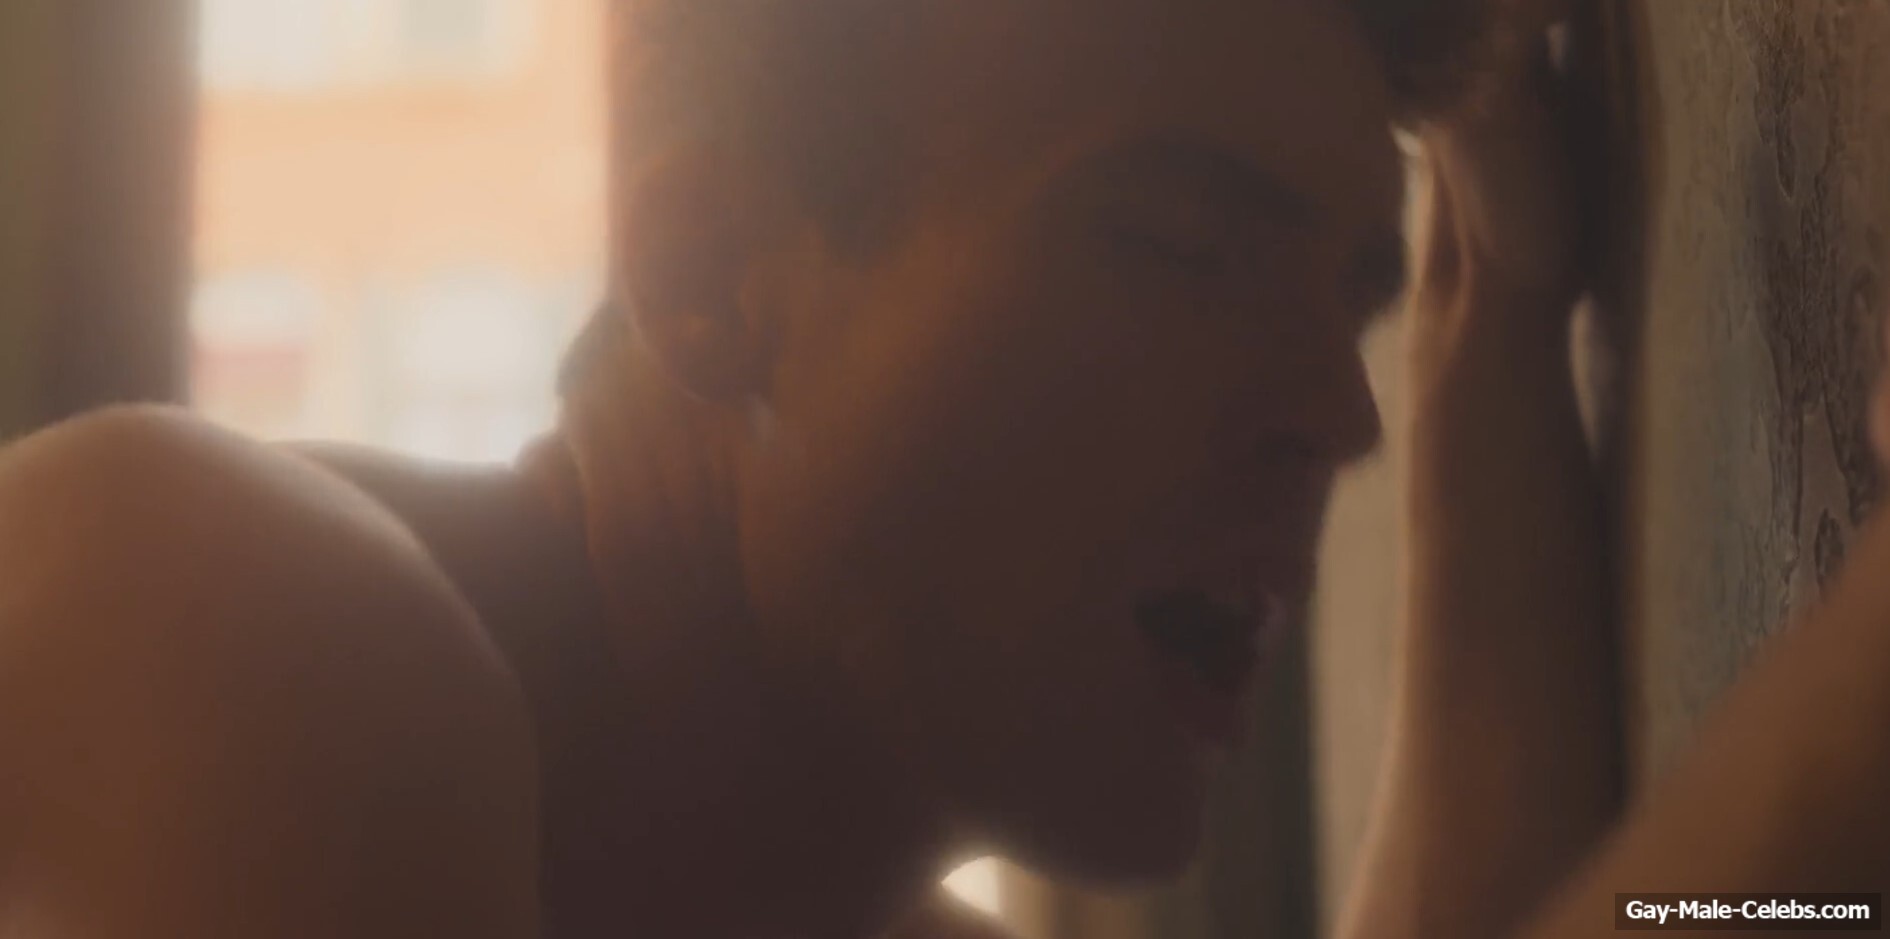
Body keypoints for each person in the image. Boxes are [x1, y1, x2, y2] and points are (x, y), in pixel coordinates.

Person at [2, 1, 1887, 937]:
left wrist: (1499, 333)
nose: (1339, 414)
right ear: (713, 281)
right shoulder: (219, 618)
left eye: (1351, 300)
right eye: (1175, 246)